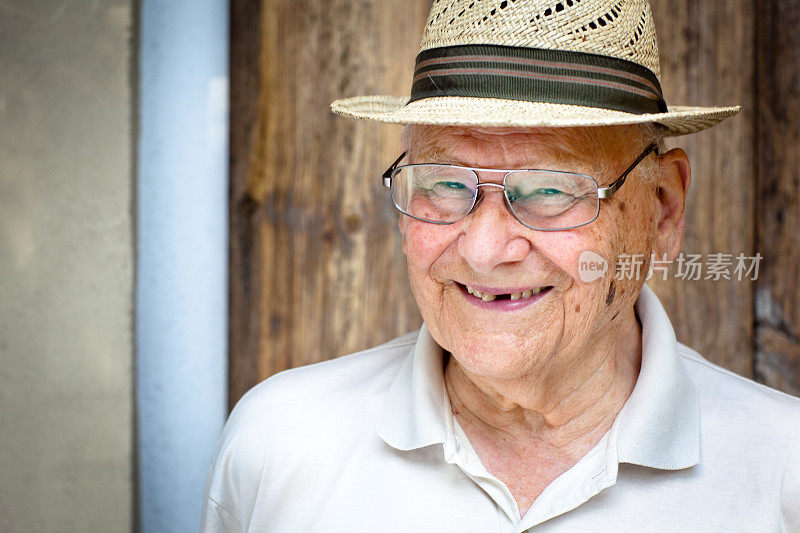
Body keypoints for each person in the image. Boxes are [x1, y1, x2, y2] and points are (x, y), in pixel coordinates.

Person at [201, 1, 800, 531]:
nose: (485, 249)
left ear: (662, 210)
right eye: (443, 183)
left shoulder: (781, 469)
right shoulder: (278, 443)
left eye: (548, 189)